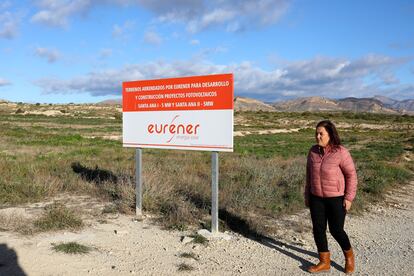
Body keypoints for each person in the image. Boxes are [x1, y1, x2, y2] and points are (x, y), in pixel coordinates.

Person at [304, 120, 357, 274]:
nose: (317, 136)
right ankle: (324, 262)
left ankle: (349, 257)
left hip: (336, 198)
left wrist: (349, 197)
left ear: (330, 135)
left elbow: (351, 175)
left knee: (336, 230)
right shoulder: (313, 151)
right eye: (316, 133)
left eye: (321, 133)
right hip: (316, 198)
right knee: (318, 230)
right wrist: (307, 194)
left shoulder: (340, 152)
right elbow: (309, 175)